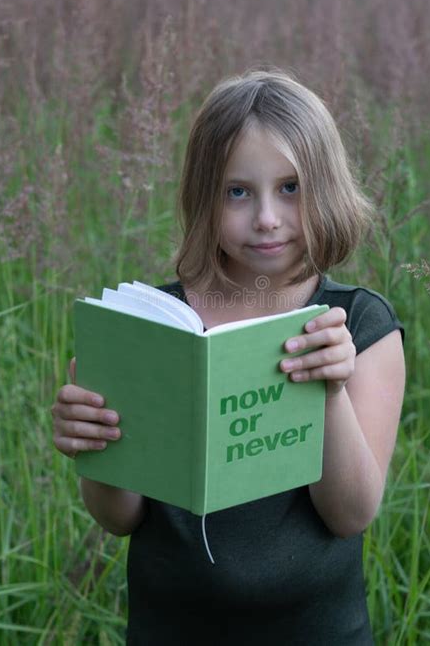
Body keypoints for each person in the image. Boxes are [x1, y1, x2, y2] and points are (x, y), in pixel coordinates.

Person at [51, 69, 405, 644]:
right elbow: (119, 518)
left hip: (317, 631)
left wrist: (331, 392)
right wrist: (95, 446)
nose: (266, 217)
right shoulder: (154, 323)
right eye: (237, 191)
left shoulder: (360, 326)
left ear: (326, 187)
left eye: (290, 187)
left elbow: (352, 513)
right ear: (203, 198)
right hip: (170, 628)